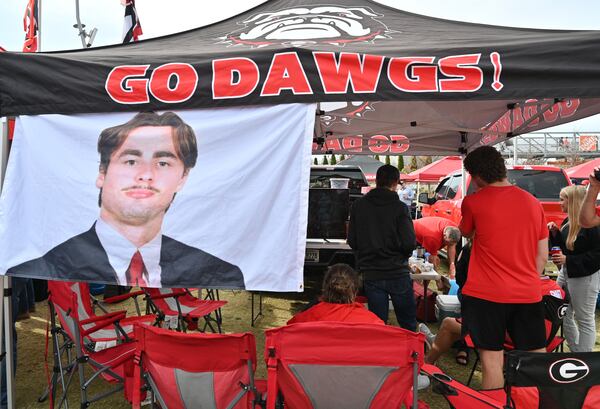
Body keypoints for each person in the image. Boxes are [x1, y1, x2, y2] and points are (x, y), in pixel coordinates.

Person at [7, 112, 244, 289]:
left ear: (182, 178)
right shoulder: (40, 267)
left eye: (163, 163)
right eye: (131, 160)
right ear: (102, 172)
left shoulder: (223, 272)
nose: (146, 174)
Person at [458, 146, 548, 390]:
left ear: (476, 175)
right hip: (527, 292)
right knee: (535, 360)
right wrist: (527, 280)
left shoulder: (473, 202)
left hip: (486, 294)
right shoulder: (533, 202)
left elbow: (465, 232)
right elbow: (542, 255)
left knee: (492, 361)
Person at [347, 164, 417, 330]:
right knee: (407, 324)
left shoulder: (359, 206)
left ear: (377, 181)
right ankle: (411, 354)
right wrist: (401, 255)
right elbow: (409, 242)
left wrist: (364, 254)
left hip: (371, 272)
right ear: (395, 183)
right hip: (397, 271)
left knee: (378, 326)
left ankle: (380, 354)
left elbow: (352, 240)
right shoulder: (400, 207)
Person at [549, 185, 600, 352]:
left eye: (562, 199)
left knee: (584, 318)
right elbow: (565, 249)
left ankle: (583, 358)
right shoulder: (567, 221)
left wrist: (568, 260)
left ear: (572, 201)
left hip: (585, 276)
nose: (559, 203)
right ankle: (576, 352)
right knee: (562, 312)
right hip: (567, 272)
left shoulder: (592, 226)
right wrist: (556, 235)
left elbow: (596, 256)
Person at [287, 264, 383, 325]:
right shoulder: (372, 322)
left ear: (324, 287)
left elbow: (288, 332)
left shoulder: (303, 319)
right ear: (355, 290)